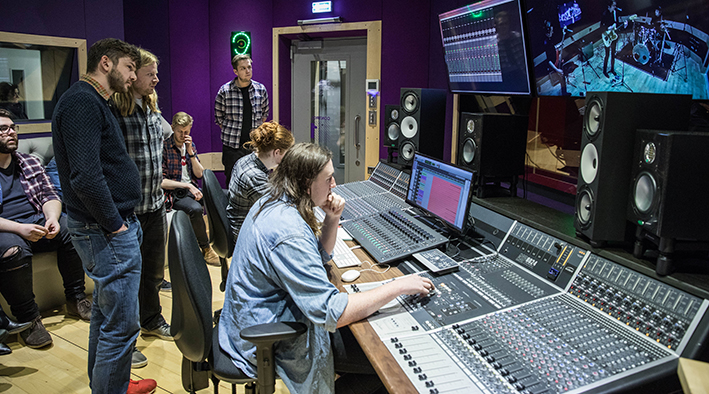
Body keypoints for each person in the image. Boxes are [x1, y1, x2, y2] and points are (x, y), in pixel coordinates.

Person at [219, 142, 434, 394]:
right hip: (269, 336)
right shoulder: (287, 231)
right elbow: (330, 311)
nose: (334, 185)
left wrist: (332, 218)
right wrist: (396, 286)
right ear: (306, 181)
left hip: (257, 317)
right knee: (390, 360)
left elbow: (317, 257)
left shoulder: (275, 199)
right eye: (329, 179)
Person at [51, 38, 157, 394]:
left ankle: (112, 384)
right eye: (130, 68)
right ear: (107, 64)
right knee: (122, 325)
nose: (133, 76)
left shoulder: (95, 101)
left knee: (105, 314)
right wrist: (116, 225)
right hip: (105, 229)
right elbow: (85, 176)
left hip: (108, 227)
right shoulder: (82, 101)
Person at [0, 108, 91, 350]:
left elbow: (50, 194)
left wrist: (52, 217)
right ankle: (28, 319)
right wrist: (20, 229)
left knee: (71, 228)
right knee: (13, 251)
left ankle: (76, 298)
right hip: (5, 229)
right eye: (3, 129)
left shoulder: (28, 161)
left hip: (36, 220)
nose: (10, 133)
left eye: (12, 128)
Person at [110, 48, 173, 369]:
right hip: (129, 212)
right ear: (133, 76)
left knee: (152, 273)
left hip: (155, 207)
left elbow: (169, 136)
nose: (155, 79)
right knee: (128, 282)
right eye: (150, 74)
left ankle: (151, 319)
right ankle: (126, 343)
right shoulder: (118, 112)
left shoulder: (150, 108)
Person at [161, 111, 219, 266]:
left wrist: (191, 154)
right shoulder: (165, 147)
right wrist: (187, 185)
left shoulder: (190, 145)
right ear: (173, 128)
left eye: (186, 131)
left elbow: (199, 174)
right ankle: (206, 248)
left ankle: (221, 241)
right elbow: (162, 181)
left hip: (191, 189)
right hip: (174, 193)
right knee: (195, 209)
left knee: (219, 199)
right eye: (180, 131)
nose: (183, 135)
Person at [226, 120, 294, 241]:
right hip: (244, 233)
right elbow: (278, 211)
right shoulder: (254, 176)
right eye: (286, 153)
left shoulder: (246, 160)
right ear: (277, 152)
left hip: (238, 223)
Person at [214, 54, 270, 185]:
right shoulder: (225, 91)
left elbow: (264, 115)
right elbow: (219, 118)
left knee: (256, 181)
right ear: (236, 71)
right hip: (232, 146)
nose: (248, 71)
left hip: (254, 146)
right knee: (232, 181)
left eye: (249, 67)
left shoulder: (260, 89)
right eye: (243, 68)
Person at [542, 19, 568, 96]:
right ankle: (564, 94)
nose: (552, 32)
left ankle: (564, 93)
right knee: (562, 78)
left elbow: (554, 48)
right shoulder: (546, 43)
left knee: (562, 78)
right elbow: (549, 60)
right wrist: (557, 69)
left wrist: (563, 37)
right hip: (554, 66)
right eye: (551, 31)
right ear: (547, 32)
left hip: (556, 62)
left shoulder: (549, 40)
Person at [601, 0, 620, 78]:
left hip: (613, 35)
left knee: (613, 54)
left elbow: (616, 23)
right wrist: (608, 28)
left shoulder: (614, 13)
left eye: (615, 5)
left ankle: (612, 69)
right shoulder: (604, 14)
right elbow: (601, 27)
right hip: (607, 36)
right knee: (607, 55)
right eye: (613, 6)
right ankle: (604, 71)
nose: (615, 7)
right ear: (609, 6)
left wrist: (623, 24)